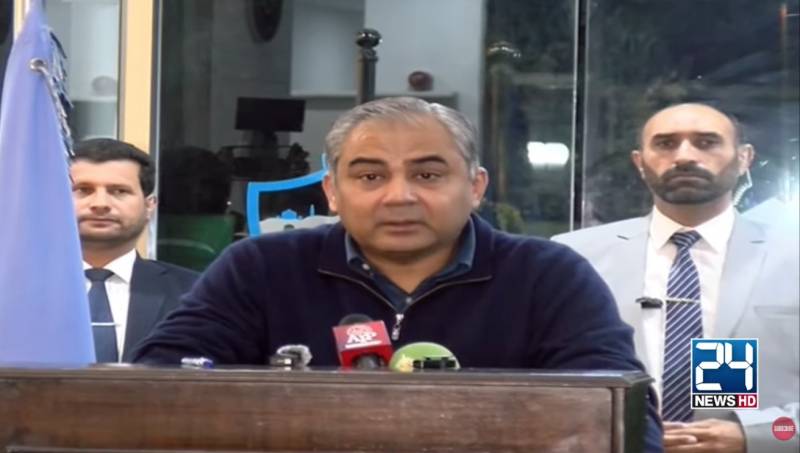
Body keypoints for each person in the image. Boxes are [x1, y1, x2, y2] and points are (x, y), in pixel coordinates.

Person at [133, 97, 662, 451]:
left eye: (428, 174)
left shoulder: (547, 275)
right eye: (370, 176)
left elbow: (621, 415)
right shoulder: (260, 268)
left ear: (476, 187)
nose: (399, 196)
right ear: (332, 192)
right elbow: (158, 387)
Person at [553, 103, 799, 453]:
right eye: (665, 144)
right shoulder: (574, 257)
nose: (684, 156)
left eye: (706, 142)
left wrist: (757, 436)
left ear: (744, 158)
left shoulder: (792, 254)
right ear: (639, 162)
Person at [71, 138, 198, 362]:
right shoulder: (14, 288)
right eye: (83, 190)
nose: (100, 203)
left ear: (149, 206)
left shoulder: (194, 295)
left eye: (119, 191)